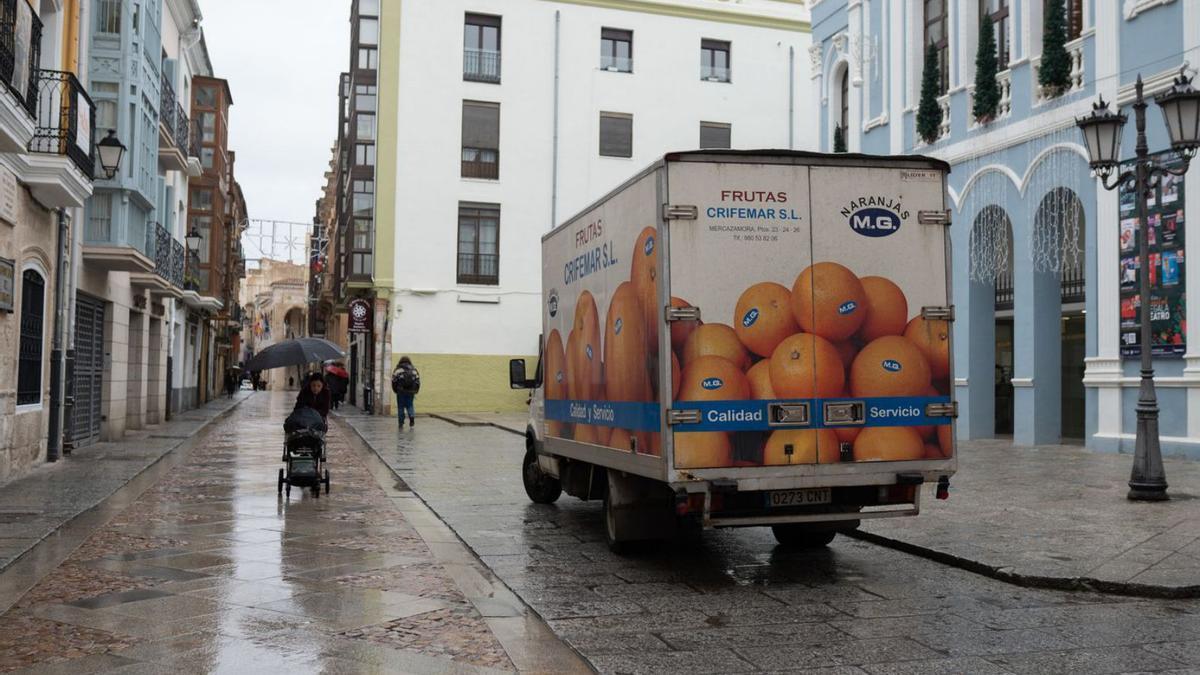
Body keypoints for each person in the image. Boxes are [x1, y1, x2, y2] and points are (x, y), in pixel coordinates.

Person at [391, 356, 420, 430]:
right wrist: (416, 390)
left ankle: (401, 423)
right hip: (411, 392)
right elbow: (417, 381)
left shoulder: (398, 370)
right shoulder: (414, 370)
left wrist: (395, 390)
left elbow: (394, 381)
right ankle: (412, 417)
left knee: (400, 407)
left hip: (400, 391)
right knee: (410, 405)